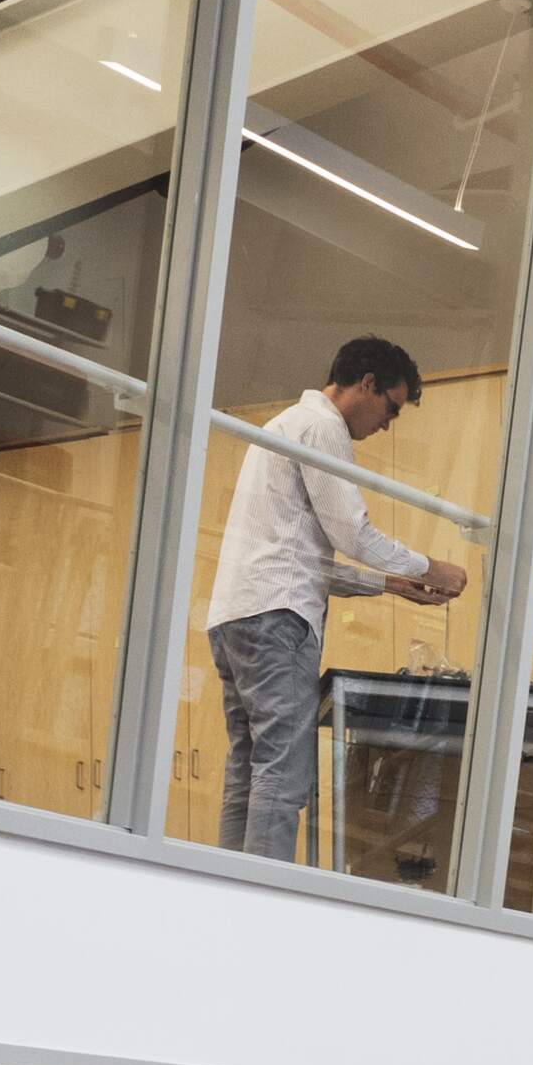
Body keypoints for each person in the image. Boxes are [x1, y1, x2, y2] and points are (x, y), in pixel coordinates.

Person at [201, 330, 471, 858]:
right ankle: (264, 901)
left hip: (237, 616)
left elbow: (299, 558)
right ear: (367, 384)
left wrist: (391, 584)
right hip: (279, 622)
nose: (388, 424)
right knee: (282, 771)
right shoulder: (324, 428)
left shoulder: (282, 425)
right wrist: (431, 567)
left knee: (249, 767)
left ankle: (228, 888)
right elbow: (353, 533)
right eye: (390, 408)